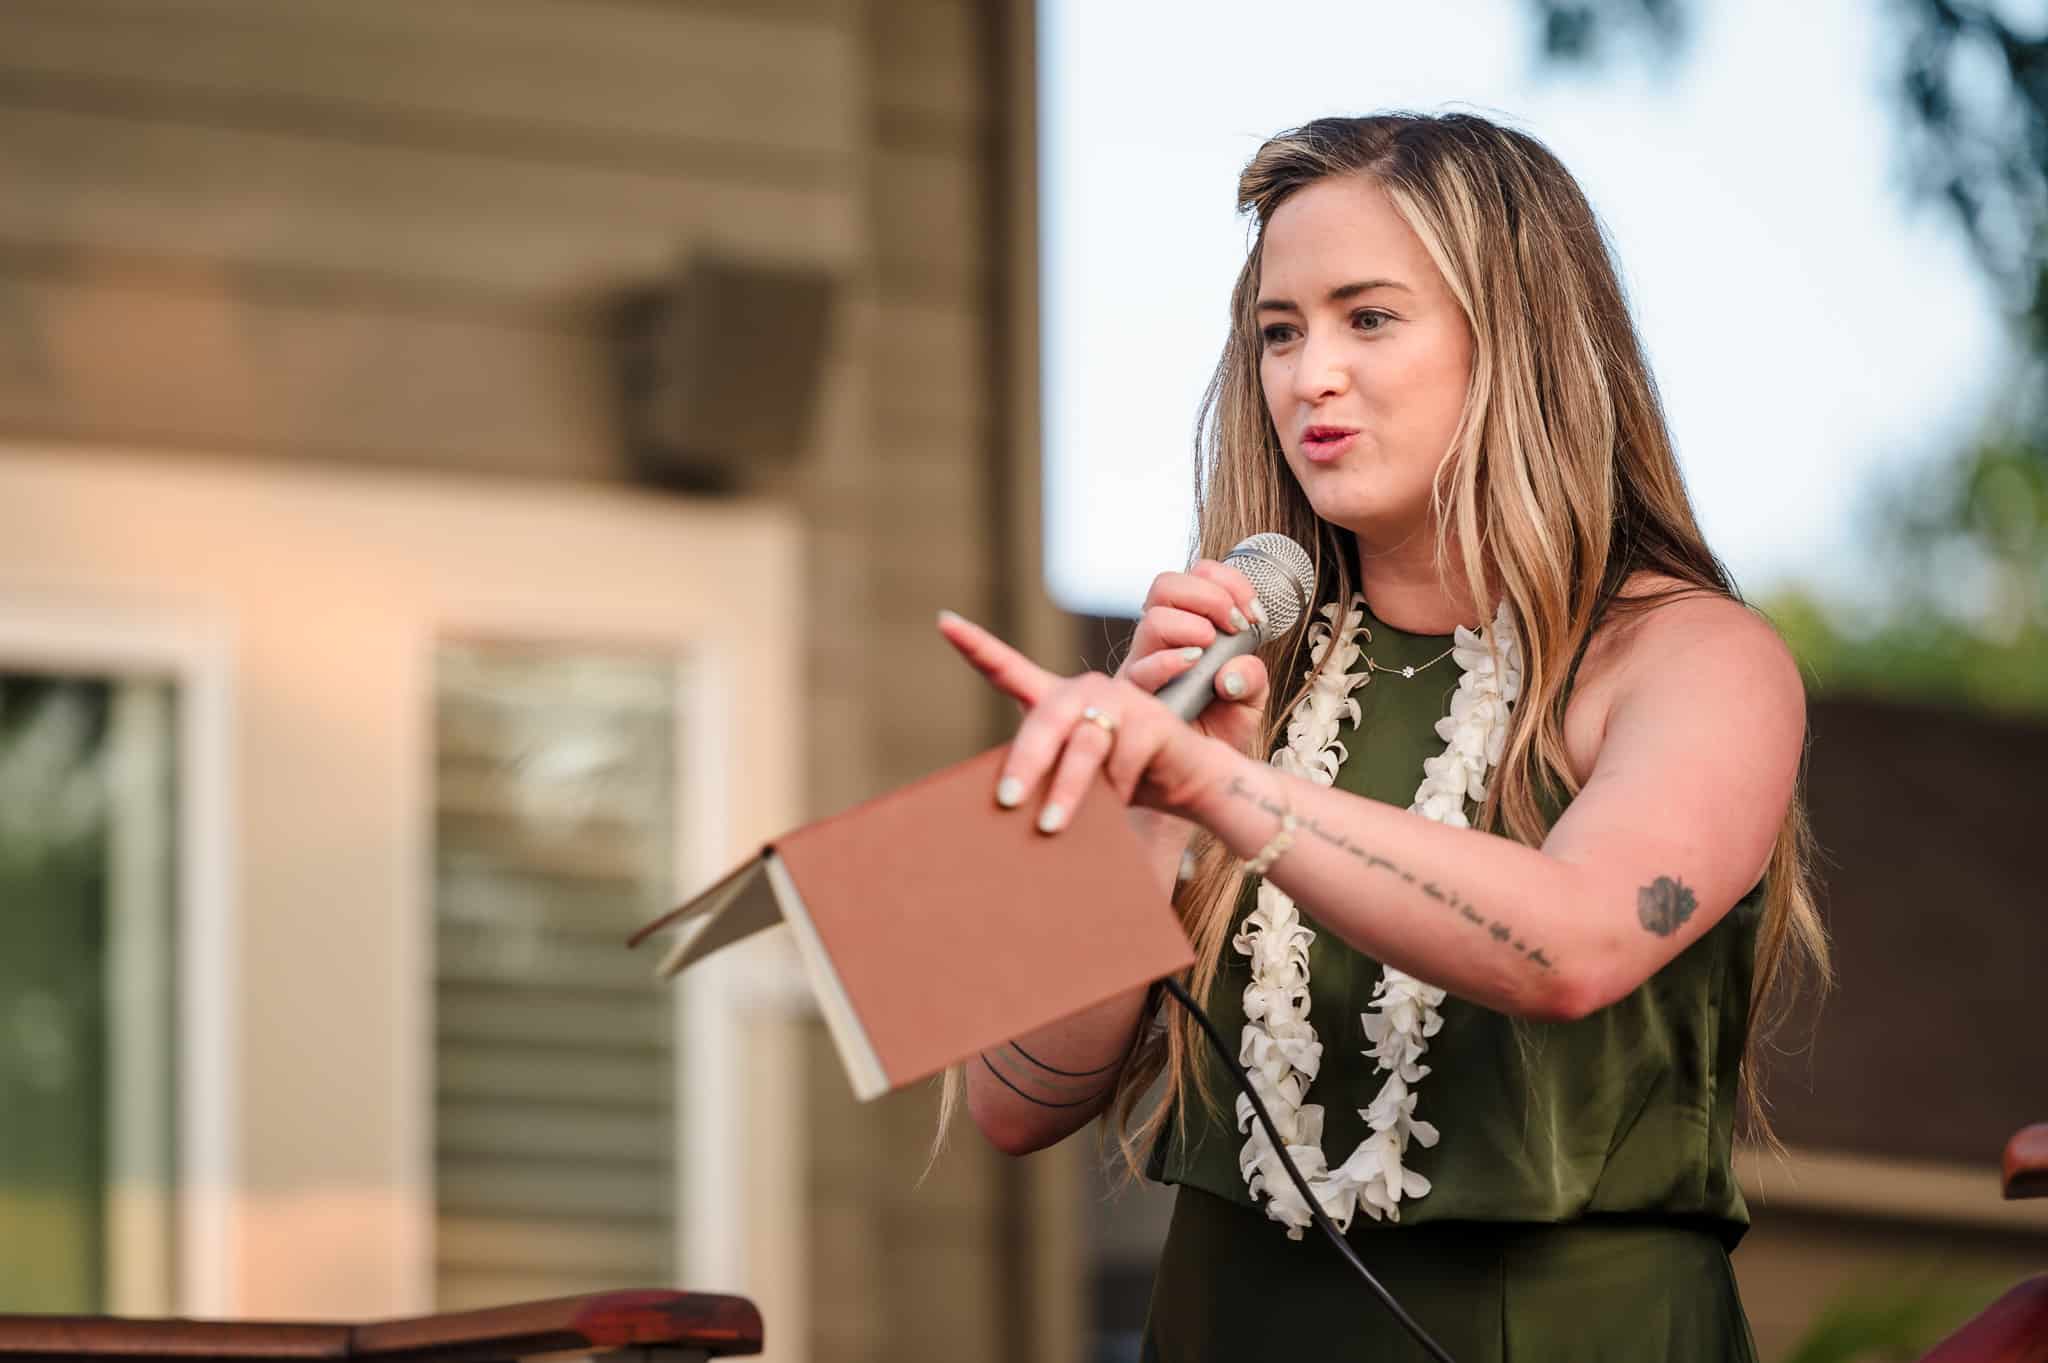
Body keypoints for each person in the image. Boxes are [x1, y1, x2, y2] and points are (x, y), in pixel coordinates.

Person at [934, 112, 1829, 1362]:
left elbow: (1570, 943)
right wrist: (1149, 804)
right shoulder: (1244, 676)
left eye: (1368, 318)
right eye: (1279, 333)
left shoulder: (1690, 659)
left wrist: (1229, 796)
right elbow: (1010, 1102)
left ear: (1515, 340)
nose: (1310, 377)